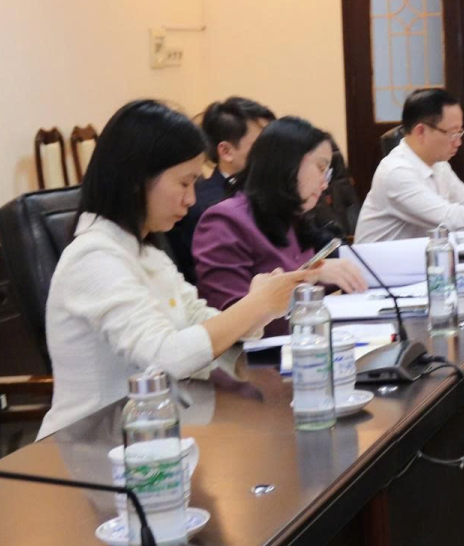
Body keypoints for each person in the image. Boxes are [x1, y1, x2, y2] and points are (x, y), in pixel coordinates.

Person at [39, 101, 309, 437]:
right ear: (137, 179)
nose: (191, 199)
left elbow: (198, 319)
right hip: (90, 445)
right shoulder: (93, 257)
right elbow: (165, 358)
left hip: (156, 433)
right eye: (184, 183)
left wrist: (259, 308)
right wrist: (257, 305)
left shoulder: (146, 252)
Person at [192, 117, 370, 314]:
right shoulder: (224, 221)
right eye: (320, 168)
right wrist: (313, 275)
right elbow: (232, 317)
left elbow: (300, 281)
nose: (324, 184)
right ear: (288, 163)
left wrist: (332, 275)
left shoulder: (291, 216)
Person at [356, 87, 464, 241]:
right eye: (452, 133)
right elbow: (449, 218)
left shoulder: (438, 163)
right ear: (421, 131)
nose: (458, 142)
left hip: (419, 254)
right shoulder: (396, 172)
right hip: (380, 257)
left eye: (460, 132)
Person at [163, 96, 274, 279]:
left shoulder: (267, 194)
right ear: (226, 151)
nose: (274, 153)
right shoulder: (205, 206)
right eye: (263, 144)